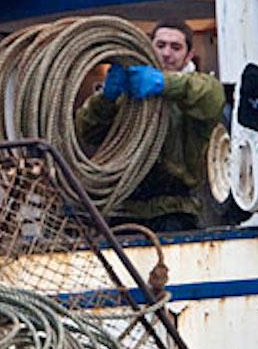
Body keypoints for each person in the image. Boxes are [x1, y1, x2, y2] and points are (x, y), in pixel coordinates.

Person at [76, 20, 225, 232]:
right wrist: (106, 98)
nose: (166, 53)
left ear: (189, 55)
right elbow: (87, 131)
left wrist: (164, 84)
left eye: (176, 47)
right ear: (149, 47)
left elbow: (212, 96)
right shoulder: (127, 96)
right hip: (124, 209)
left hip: (176, 210)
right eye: (161, 45)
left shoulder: (193, 90)